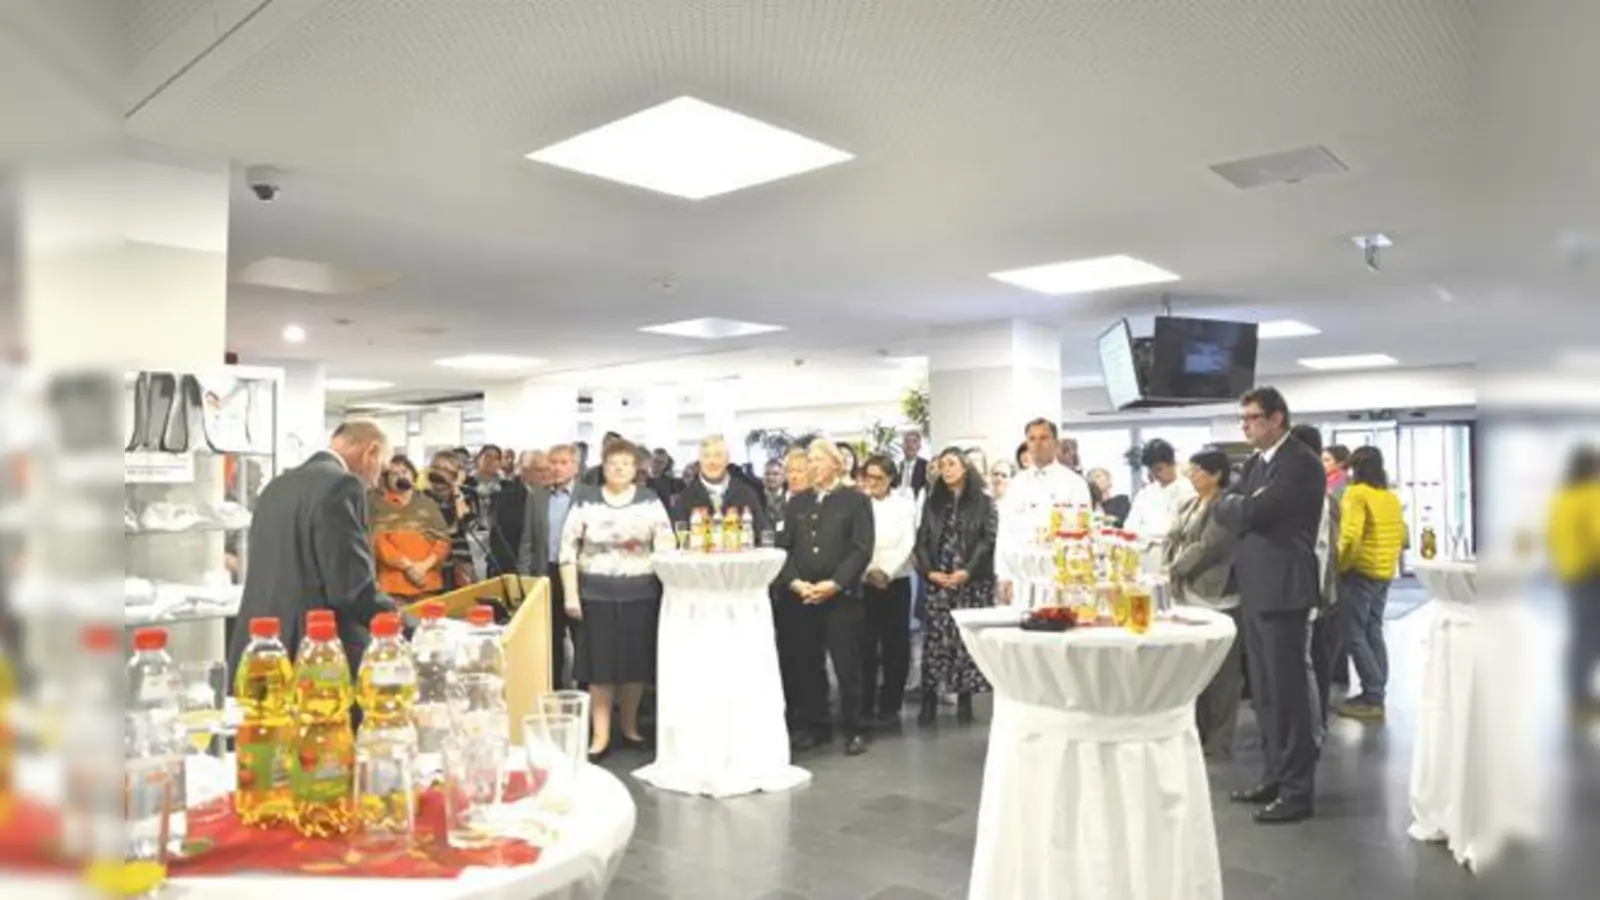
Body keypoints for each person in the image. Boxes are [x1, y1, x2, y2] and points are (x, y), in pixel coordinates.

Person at [1213, 386, 1325, 824]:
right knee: (1264, 695)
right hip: (1258, 589)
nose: (1245, 426)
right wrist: (1239, 505)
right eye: (1242, 420)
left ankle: (1298, 790)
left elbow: (1247, 514)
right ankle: (1275, 775)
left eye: (1252, 418)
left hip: (1285, 590)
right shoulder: (1259, 463)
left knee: (1288, 695)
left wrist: (1240, 506)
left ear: (1277, 418)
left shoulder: (1299, 463)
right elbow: (1227, 505)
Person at [228, 420, 396, 680]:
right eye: (381, 468)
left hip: (261, 645)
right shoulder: (343, 486)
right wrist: (403, 623)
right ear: (370, 452)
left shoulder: (277, 486)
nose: (376, 483)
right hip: (313, 653)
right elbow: (350, 589)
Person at [559, 440, 673, 760]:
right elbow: (567, 550)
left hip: (642, 593)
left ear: (637, 468)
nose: (619, 468)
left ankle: (631, 728)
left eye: (626, 463)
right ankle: (600, 734)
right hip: (596, 593)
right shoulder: (585, 500)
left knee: (635, 666)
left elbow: (665, 544)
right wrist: (571, 594)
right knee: (600, 669)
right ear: (603, 467)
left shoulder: (650, 500)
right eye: (613, 463)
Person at [776, 440, 875, 756]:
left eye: (818, 460)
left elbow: (861, 548)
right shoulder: (797, 503)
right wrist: (795, 582)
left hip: (840, 596)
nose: (812, 465)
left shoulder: (855, 501)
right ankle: (817, 726)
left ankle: (854, 728)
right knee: (808, 664)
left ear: (836, 464)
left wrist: (836, 583)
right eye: (809, 460)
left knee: (847, 665)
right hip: (802, 596)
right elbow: (784, 548)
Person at [1165, 449, 1242, 758]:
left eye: (1198, 471)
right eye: (1192, 470)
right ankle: (1198, 730)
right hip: (1187, 593)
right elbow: (1174, 537)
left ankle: (1220, 740)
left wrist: (1172, 569)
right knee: (1196, 670)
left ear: (1216, 475)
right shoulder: (1189, 503)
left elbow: (1207, 547)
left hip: (1217, 593)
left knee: (1224, 675)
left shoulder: (1226, 507)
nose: (1192, 475)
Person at [915, 447, 999, 726]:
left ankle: (965, 701)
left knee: (965, 644)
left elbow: (988, 541)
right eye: (942, 465)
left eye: (951, 463)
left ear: (965, 467)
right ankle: (928, 700)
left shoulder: (983, 502)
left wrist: (968, 572)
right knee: (936, 642)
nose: (946, 469)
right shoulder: (932, 502)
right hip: (939, 580)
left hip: (971, 582)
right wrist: (930, 572)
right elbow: (923, 540)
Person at [1333, 446, 1406, 722]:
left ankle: (1372, 696)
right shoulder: (1390, 497)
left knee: (1353, 635)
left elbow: (1350, 537)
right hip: (1384, 572)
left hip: (1360, 573)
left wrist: (1340, 565)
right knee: (1373, 630)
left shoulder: (1356, 494)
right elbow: (1401, 534)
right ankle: (1377, 691)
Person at [995, 418, 1092, 605]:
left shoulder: (1074, 483)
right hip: (1022, 576)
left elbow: (1083, 533)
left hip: (1059, 574)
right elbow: (1005, 532)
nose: (1037, 445)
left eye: (1043, 438)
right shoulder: (1017, 484)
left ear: (1056, 444)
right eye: (1032, 439)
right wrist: (1003, 575)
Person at [1289, 423, 1344, 724]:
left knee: (1315, 661)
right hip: (1308, 592)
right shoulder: (1302, 491)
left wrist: (1317, 597)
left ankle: (1315, 726)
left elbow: (1328, 550)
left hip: (1318, 595)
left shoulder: (1324, 498)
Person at [858, 455, 917, 726]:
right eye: (868, 478)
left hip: (895, 580)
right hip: (864, 581)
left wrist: (887, 571)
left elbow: (907, 541)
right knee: (865, 645)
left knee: (896, 645)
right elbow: (855, 542)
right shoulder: (858, 504)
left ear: (890, 478)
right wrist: (869, 570)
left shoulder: (904, 506)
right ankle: (865, 703)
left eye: (879, 478)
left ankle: (890, 704)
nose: (873, 483)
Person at [1549, 444, 1600, 722]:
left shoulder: (1562, 497)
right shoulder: (1592, 495)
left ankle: (1577, 697)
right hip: (1592, 573)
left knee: (1580, 636)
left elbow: (1551, 534)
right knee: (1588, 637)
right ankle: (1581, 698)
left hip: (1569, 573)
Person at [369, 455, 452, 603]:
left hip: (428, 581)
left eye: (405, 472)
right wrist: (408, 567)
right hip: (392, 585)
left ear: (413, 475)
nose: (401, 476)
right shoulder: (377, 505)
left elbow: (443, 540)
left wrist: (424, 567)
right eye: (395, 474)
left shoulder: (428, 504)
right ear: (386, 479)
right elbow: (378, 543)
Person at [670, 435, 770, 535]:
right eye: (706, 456)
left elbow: (764, 535)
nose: (712, 461)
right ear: (699, 461)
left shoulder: (746, 494)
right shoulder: (684, 498)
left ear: (727, 459)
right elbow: (678, 542)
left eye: (717, 455)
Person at [1124, 438, 1197, 563]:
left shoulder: (1189, 492)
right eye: (1152, 470)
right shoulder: (1145, 493)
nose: (1156, 474)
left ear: (1172, 464)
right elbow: (1130, 526)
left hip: (1174, 556)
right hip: (1144, 554)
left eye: (1159, 469)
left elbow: (1185, 531)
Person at [425, 450, 476, 589]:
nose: (440, 473)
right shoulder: (423, 497)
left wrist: (456, 488)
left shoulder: (465, 495)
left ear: (456, 474)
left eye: (446, 469)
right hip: (431, 562)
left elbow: (465, 519)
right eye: (436, 467)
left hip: (461, 562)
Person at [895, 430, 928, 498]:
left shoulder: (925, 466)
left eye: (914, 442)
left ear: (919, 446)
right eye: (907, 441)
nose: (910, 445)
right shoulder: (897, 466)